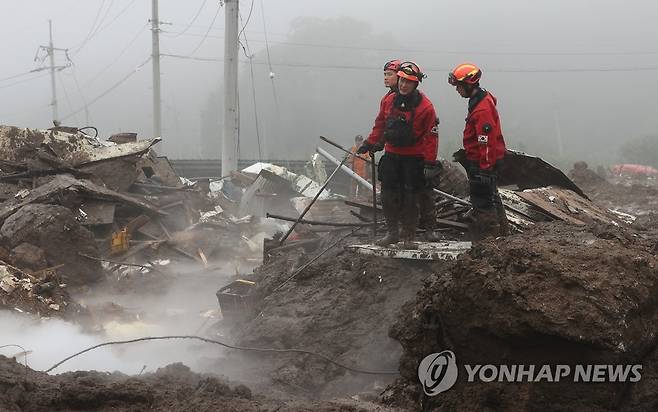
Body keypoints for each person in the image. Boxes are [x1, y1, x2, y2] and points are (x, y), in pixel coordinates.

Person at [358, 61, 439, 248]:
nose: (403, 85)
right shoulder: (388, 101)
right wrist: (370, 142)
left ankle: (409, 237)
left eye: (408, 82)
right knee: (388, 196)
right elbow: (380, 124)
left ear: (415, 84)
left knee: (411, 199)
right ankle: (392, 233)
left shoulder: (426, 107)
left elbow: (431, 137)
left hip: (413, 158)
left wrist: (429, 163)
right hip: (392, 156)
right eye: (401, 80)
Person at [448, 63, 509, 239]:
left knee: (482, 201)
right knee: (493, 196)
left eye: (459, 86)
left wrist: (485, 167)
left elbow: (486, 140)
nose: (457, 90)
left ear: (469, 84)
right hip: (484, 159)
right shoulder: (480, 100)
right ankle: (503, 235)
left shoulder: (482, 109)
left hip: (483, 161)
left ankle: (489, 238)